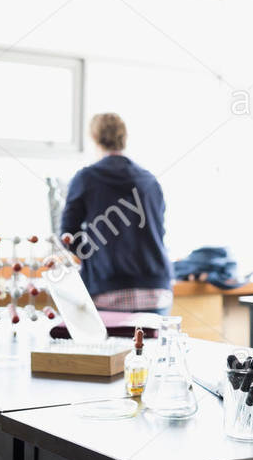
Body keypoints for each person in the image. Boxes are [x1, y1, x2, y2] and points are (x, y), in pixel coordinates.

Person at [60, 112, 173, 315]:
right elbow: (160, 231)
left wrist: (92, 255)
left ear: (94, 138)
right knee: (151, 347)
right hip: (156, 291)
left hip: (107, 290)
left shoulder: (86, 178)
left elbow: (68, 236)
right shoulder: (150, 180)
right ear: (124, 138)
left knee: (110, 348)